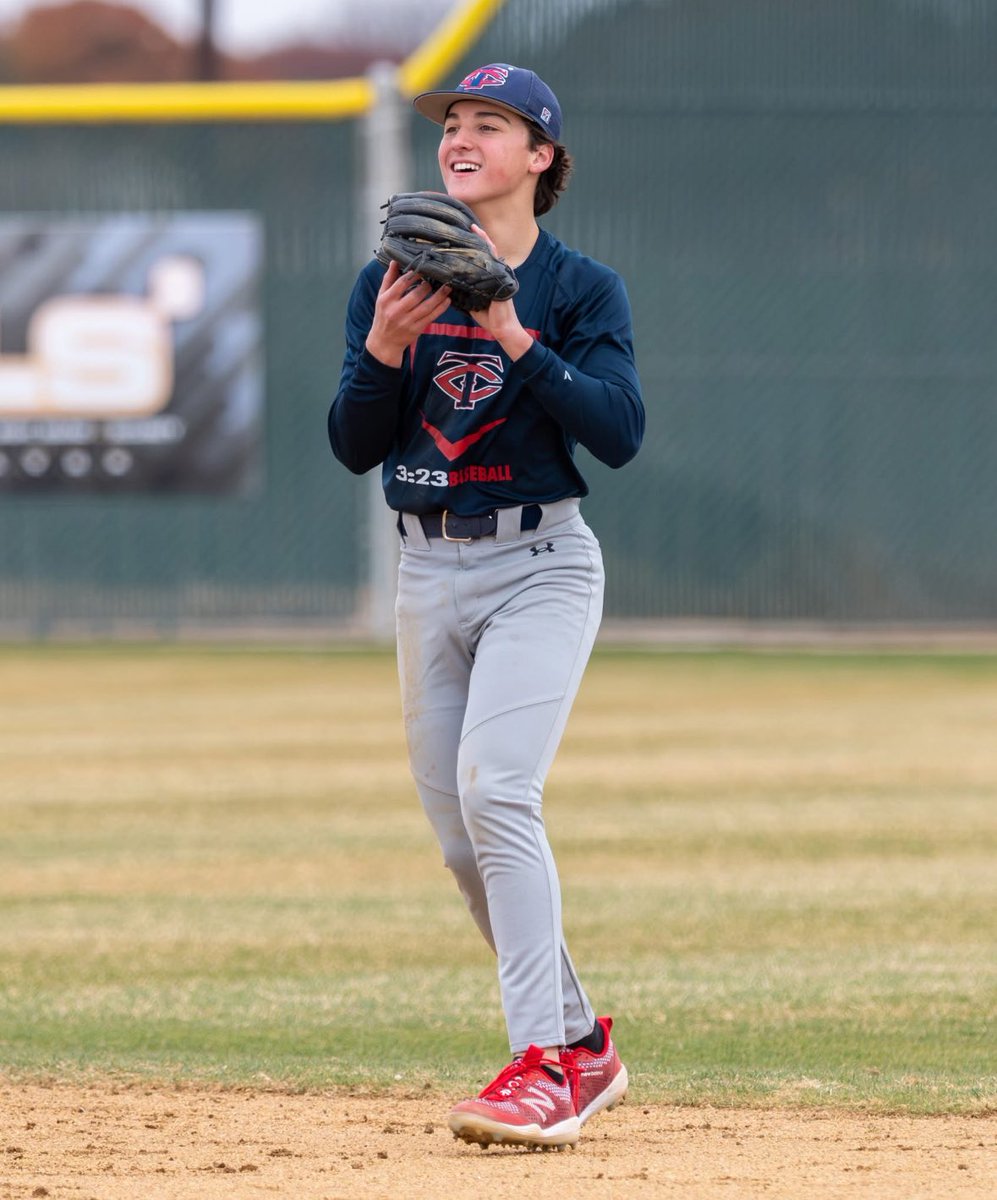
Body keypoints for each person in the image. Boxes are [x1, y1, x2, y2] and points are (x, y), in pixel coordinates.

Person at [328, 62, 644, 1150]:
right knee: (463, 838)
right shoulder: (390, 285)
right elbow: (352, 445)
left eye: (489, 125)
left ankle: (545, 1063)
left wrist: (512, 330)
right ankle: (578, 1039)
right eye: (451, 124)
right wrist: (381, 349)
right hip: (426, 570)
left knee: (497, 790)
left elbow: (616, 431)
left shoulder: (577, 288)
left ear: (540, 156)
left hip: (541, 563)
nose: (460, 138)